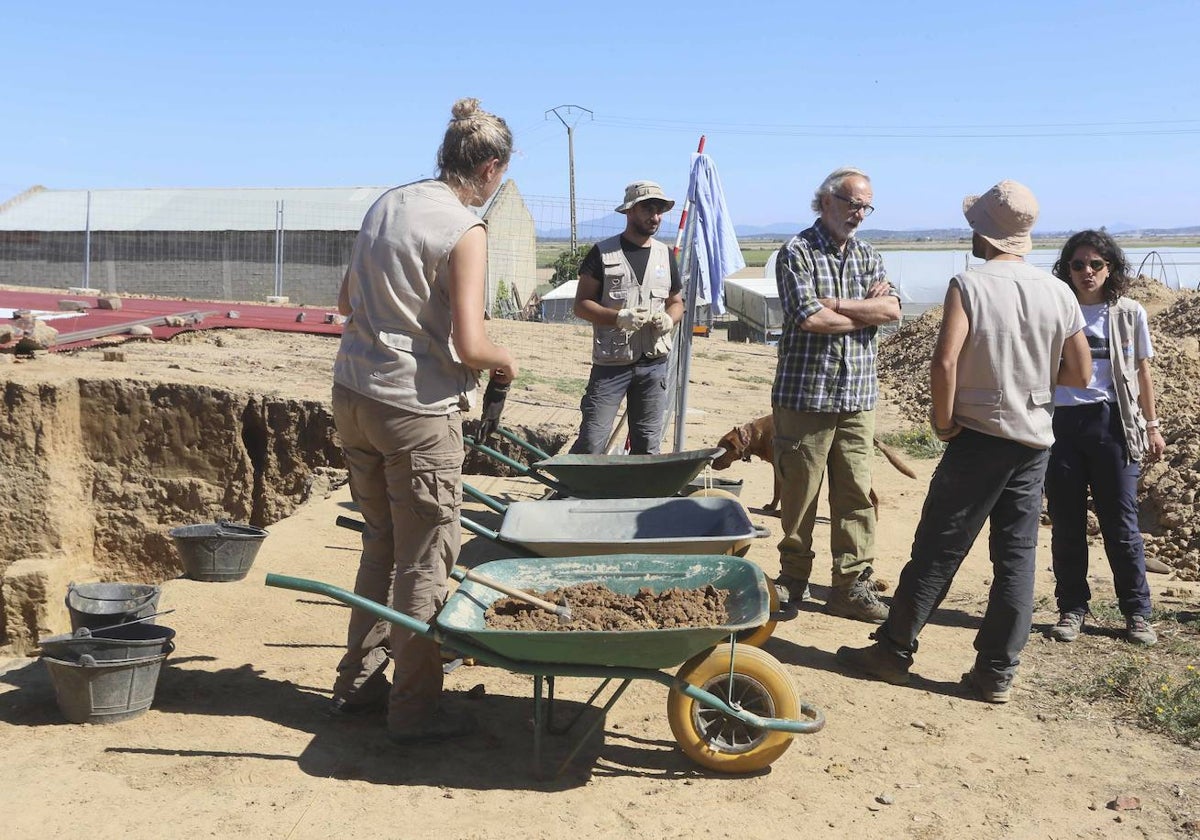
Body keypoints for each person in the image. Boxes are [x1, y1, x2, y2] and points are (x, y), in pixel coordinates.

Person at [837, 179, 1091, 703]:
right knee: (1017, 559)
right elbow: (1082, 374)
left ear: (985, 233)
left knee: (938, 549)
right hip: (1034, 443)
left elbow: (945, 361)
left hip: (978, 437)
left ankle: (892, 652)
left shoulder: (969, 285)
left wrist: (943, 420)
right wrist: (1031, 382)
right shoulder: (1059, 291)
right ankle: (996, 672)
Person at [328, 98, 518, 743]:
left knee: (381, 542)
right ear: (490, 167)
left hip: (353, 393)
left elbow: (347, 300)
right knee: (425, 559)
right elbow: (470, 345)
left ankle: (356, 686)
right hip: (414, 410)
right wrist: (504, 362)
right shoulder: (464, 229)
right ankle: (412, 714)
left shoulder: (388, 203)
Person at [771, 166, 901, 623]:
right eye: (852, 204)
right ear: (825, 201)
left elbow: (892, 310)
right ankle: (792, 580)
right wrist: (867, 311)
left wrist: (840, 305)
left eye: (866, 206)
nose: (859, 214)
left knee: (856, 496)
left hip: (857, 397)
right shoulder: (796, 253)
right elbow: (809, 318)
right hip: (806, 394)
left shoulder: (869, 256)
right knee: (800, 493)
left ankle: (851, 585)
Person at [1045, 230, 1165, 646]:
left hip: (1113, 423)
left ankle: (1137, 612)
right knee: (1066, 522)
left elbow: (1142, 372)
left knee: (1121, 523)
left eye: (1096, 264)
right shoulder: (1056, 310)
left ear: (1110, 267)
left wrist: (1152, 424)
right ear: (1067, 270)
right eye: (1078, 265)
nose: (1087, 272)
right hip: (1061, 424)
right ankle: (1072, 608)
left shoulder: (1128, 312)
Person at [569, 181, 683, 455]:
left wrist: (669, 319)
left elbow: (677, 302)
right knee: (592, 440)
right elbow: (581, 305)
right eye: (648, 209)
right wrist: (619, 317)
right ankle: (573, 495)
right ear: (630, 211)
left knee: (646, 444)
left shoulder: (665, 256)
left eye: (659, 211)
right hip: (611, 365)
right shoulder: (602, 253)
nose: (655, 217)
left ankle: (638, 497)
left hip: (654, 365)